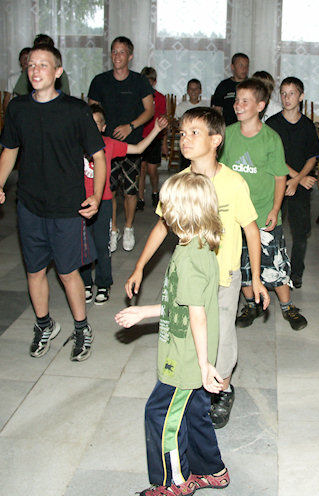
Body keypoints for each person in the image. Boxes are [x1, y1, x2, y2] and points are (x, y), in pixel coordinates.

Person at [126, 106, 267, 430]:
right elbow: (162, 226)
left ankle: (223, 388)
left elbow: (251, 230)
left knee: (222, 336)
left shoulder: (233, 182)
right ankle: (195, 377)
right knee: (188, 331)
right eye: (182, 133)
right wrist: (139, 266)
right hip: (190, 274)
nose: (184, 139)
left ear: (216, 140)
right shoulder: (178, 183)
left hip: (224, 275)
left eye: (194, 133)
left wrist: (256, 278)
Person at [0, 44, 105, 362]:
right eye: (31, 65)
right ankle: (44, 325)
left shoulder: (75, 110)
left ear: (57, 72)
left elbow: (98, 155)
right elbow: (10, 148)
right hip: (29, 205)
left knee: (68, 273)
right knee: (35, 271)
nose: (35, 70)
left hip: (67, 207)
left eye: (43, 65)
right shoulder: (18, 108)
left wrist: (96, 196)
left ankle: (81, 328)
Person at [116, 173, 230, 496]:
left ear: (180, 213)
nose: (162, 210)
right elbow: (184, 304)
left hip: (186, 358)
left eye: (166, 205)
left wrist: (203, 364)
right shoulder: (197, 247)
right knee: (193, 412)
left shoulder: (190, 258)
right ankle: (212, 470)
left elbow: (197, 315)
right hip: (190, 351)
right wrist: (144, 312)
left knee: (161, 415)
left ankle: (174, 483)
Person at [220, 78, 308, 332]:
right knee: (241, 264)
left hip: (262, 214)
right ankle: (251, 305)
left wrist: (275, 209)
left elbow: (280, 177)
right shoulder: (228, 134)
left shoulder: (271, 139)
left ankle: (288, 306)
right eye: (237, 100)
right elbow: (220, 171)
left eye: (244, 101)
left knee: (274, 265)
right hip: (235, 216)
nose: (238, 105)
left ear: (260, 106)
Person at [80, 104, 167, 306]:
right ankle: (85, 283)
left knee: (102, 245)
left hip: (103, 202)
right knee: (83, 245)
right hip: (81, 203)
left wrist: (156, 129)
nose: (92, 126)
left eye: (97, 123)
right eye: (89, 122)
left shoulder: (109, 144)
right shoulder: (76, 144)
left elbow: (138, 148)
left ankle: (103, 283)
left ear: (103, 127)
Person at [87, 37, 154, 252]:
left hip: (131, 144)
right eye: (114, 51)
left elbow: (150, 110)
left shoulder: (139, 81)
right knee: (109, 189)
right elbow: (92, 113)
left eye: (122, 52)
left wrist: (130, 126)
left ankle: (129, 227)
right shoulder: (99, 81)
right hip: (105, 146)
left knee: (131, 190)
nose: (117, 56)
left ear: (130, 56)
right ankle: (113, 228)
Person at [265, 76, 319, 289]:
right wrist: (296, 178)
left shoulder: (307, 125)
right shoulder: (272, 124)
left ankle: (296, 272)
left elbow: (313, 157)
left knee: (301, 232)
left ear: (301, 96)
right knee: (271, 228)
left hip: (300, 185)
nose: (287, 98)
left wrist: (297, 180)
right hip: (276, 183)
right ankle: (270, 270)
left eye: (291, 93)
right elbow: (273, 158)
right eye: (283, 93)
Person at [136, 67, 167, 211]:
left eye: (150, 82)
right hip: (141, 137)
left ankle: (155, 191)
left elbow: (163, 120)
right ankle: (140, 197)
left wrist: (164, 142)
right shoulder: (137, 97)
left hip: (155, 137)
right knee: (141, 168)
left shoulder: (160, 98)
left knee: (152, 169)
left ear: (154, 82)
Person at [211, 53, 249, 126]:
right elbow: (217, 110)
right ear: (232, 67)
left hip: (247, 126)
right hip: (228, 126)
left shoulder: (252, 86)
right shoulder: (224, 85)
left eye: (246, 66)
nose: (244, 69)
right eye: (241, 65)